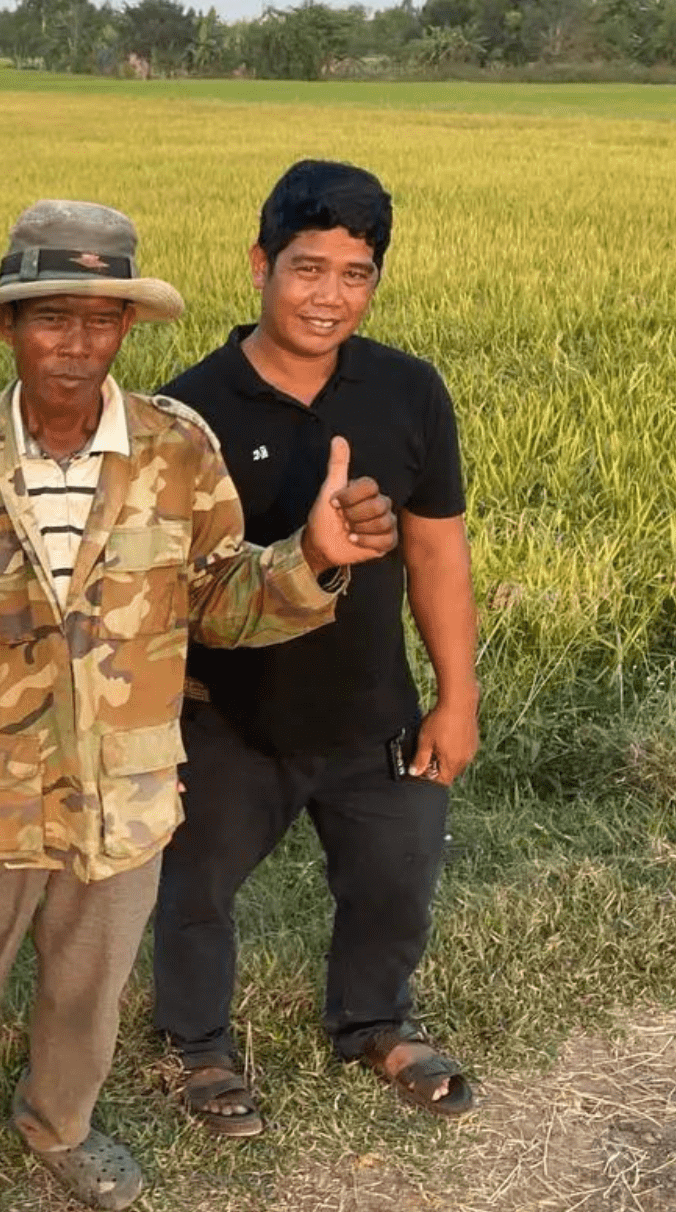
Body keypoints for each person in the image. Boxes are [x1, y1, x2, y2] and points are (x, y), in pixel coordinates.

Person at [0, 199, 400, 1212]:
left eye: (98, 319)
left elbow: (220, 602)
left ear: (125, 330)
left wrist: (314, 557)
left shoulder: (175, 450)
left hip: (126, 789)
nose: (74, 342)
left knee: (88, 982)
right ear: (3, 328)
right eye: (49, 317)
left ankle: (57, 1127)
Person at [151, 159, 479, 1135]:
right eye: (306, 268)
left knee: (395, 878)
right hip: (225, 721)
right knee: (194, 889)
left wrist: (453, 697)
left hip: (370, 711)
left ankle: (374, 1021)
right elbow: (163, 595)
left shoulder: (407, 392)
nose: (327, 295)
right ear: (258, 263)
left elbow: (436, 550)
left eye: (353, 272)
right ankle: (198, 1046)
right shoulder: (185, 411)